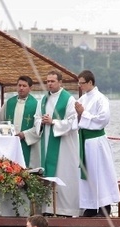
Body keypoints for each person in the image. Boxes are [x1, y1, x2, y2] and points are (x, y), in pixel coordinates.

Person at [75, 70, 120, 217]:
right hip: (84, 140)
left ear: (90, 82)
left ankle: (104, 206)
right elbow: (76, 119)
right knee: (87, 174)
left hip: (96, 141)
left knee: (99, 173)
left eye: (82, 83)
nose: (80, 86)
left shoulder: (101, 99)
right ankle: (90, 206)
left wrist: (84, 113)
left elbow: (103, 119)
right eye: (79, 83)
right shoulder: (82, 99)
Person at [33, 70, 80, 217]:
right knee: (48, 174)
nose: (50, 84)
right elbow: (36, 118)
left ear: (60, 82)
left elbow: (73, 122)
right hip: (46, 142)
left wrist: (53, 122)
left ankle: (66, 210)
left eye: (53, 81)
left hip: (64, 145)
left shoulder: (68, 100)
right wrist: (41, 121)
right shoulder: (43, 100)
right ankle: (48, 209)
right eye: (47, 81)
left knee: (64, 173)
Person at [0, 76, 40, 168]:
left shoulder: (36, 104)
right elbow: (0, 121)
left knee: (26, 168)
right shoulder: (9, 103)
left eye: (24, 86)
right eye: (19, 85)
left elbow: (39, 128)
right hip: (10, 143)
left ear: (30, 88)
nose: (21, 88)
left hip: (27, 143)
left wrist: (24, 134)